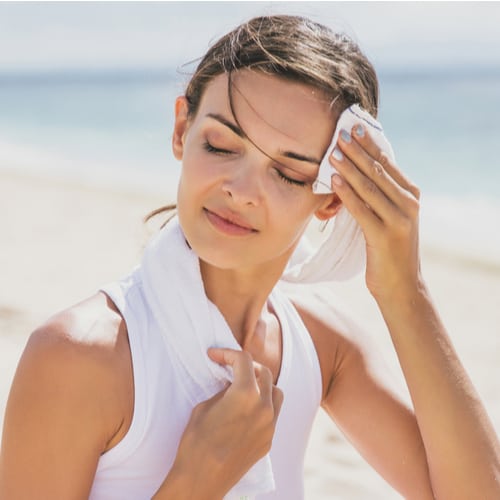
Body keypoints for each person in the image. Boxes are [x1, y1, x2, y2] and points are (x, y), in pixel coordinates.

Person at [1, 14, 499, 500]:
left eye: (287, 173)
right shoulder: (81, 355)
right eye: (221, 145)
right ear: (182, 130)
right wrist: (197, 481)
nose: (240, 191)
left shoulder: (320, 345)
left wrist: (404, 290)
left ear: (332, 199)